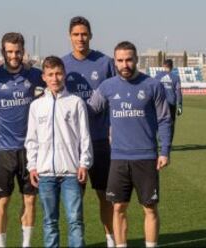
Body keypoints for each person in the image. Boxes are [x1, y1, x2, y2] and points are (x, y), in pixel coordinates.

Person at [88, 41, 172, 248]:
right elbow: (88, 110)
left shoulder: (153, 85)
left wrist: (165, 151)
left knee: (150, 208)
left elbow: (164, 119)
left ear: (136, 60)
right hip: (118, 158)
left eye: (128, 60)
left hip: (146, 157)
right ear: (115, 62)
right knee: (118, 208)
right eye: (120, 60)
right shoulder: (107, 87)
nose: (124, 64)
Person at [25, 56, 93, 248]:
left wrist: (84, 163)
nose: (55, 78)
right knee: (49, 222)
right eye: (50, 74)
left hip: (71, 173)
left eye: (58, 74)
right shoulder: (36, 106)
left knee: (75, 221)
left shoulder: (76, 102)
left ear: (64, 75)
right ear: (44, 77)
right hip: (45, 173)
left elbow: (85, 136)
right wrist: (32, 166)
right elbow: (31, 140)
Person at [61, 16, 116, 247]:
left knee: (105, 196)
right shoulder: (62, 65)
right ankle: (77, 242)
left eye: (84, 34)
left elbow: (116, 96)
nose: (80, 38)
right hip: (73, 145)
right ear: (69, 36)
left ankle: (112, 240)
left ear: (90, 35)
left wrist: (114, 129)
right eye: (76, 34)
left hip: (101, 140)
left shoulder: (105, 62)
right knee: (75, 199)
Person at [0, 32, 45, 248]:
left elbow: (56, 82)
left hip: (31, 150)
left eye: (18, 51)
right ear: (3, 52)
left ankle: (26, 244)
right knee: (2, 200)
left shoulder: (35, 75)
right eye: (10, 51)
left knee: (29, 199)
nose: (14, 55)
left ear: (23, 51)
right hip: (3, 149)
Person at [154, 59, 183, 142]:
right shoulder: (176, 78)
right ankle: (169, 141)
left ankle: (159, 135)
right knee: (171, 123)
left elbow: (154, 90)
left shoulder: (157, 76)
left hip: (160, 103)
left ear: (163, 66)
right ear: (172, 67)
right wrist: (180, 105)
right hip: (171, 104)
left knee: (159, 120)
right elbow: (178, 92)